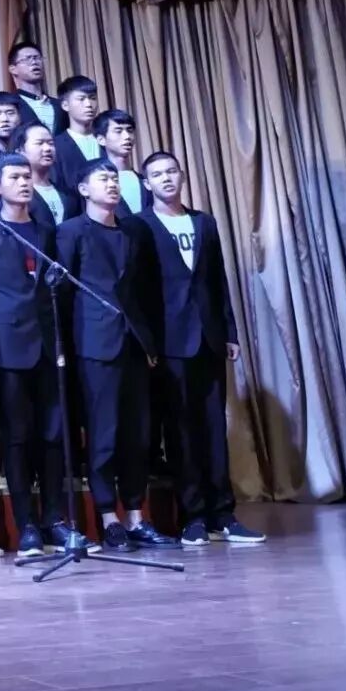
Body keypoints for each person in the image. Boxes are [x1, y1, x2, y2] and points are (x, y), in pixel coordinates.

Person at [134, 153, 265, 546]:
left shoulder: (204, 222)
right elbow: (137, 289)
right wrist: (147, 342)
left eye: (171, 172)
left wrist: (230, 331)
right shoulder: (139, 225)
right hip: (169, 341)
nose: (166, 179)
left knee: (213, 427)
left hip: (208, 337)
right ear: (146, 183)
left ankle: (223, 514)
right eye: (157, 174)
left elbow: (217, 280)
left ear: (183, 176)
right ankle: (192, 516)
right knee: (180, 431)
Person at [54, 160, 178, 551]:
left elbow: (145, 291)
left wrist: (150, 344)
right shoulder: (71, 231)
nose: (111, 184)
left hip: (134, 343)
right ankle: (109, 518)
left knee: (137, 434)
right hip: (94, 344)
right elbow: (63, 294)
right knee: (104, 433)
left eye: (114, 178)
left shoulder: (133, 231)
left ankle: (137, 515)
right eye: (102, 179)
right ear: (83, 189)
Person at [0, 153, 68, 558]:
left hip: (47, 344)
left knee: (53, 435)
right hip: (7, 347)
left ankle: (55, 519)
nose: (24, 182)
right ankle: (26, 524)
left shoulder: (46, 230)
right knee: (18, 437)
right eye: (15, 177)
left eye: (27, 176)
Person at [18, 122, 79, 235]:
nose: (47, 148)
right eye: (39, 143)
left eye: (50, 143)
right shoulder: (18, 195)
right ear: (21, 151)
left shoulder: (68, 194)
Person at [52, 76, 101, 193]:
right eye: (81, 99)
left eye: (92, 98)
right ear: (65, 105)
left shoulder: (105, 139)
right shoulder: (56, 145)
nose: (88, 104)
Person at [94, 109, 147, 215]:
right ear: (101, 140)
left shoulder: (145, 181)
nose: (127, 136)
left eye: (130, 130)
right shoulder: (95, 182)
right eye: (118, 131)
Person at [7, 41, 62, 134]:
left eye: (37, 58)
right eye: (27, 59)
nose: (34, 62)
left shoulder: (59, 105)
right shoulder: (10, 105)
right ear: (13, 69)